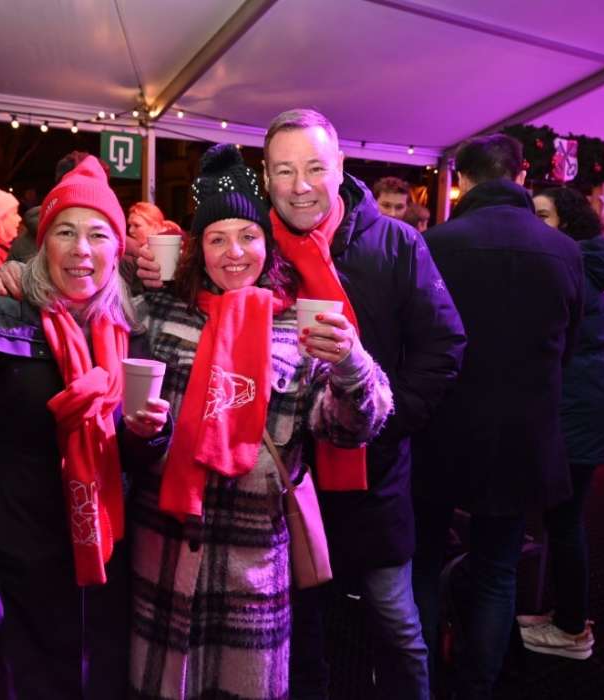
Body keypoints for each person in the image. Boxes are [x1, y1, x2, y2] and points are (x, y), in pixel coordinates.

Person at [137, 110, 463, 699]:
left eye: (315, 167)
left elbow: (442, 348)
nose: (301, 184)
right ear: (268, 177)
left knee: (395, 621)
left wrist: (383, 424)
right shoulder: (253, 241)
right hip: (284, 486)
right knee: (301, 636)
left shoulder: (393, 243)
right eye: (285, 170)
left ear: (340, 166)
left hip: (371, 473)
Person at [0, 156, 170, 699]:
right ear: (43, 244)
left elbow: (129, 456)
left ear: (117, 249)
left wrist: (149, 435)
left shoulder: (129, 332)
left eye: (98, 234)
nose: (81, 248)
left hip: (102, 570)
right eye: (65, 231)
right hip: (8, 566)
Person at [411, 135, 584, 698]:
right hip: (523, 433)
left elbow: (415, 342)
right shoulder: (565, 251)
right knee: (496, 571)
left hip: (442, 427)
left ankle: (420, 682)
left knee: (422, 562)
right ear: (522, 175)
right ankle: (477, 688)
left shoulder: (433, 244)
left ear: (461, 180)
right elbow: (568, 348)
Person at [513, 187, 604, 659]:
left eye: (543, 215)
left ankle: (573, 629)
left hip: (577, 409)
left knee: (565, 520)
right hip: (588, 405)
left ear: (567, 223)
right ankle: (565, 616)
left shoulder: (566, 268)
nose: (533, 223)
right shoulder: (584, 263)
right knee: (563, 519)